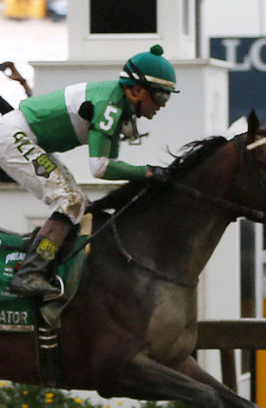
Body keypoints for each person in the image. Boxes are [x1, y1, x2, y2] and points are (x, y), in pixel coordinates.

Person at [0, 44, 178, 297]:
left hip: (22, 135)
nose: (162, 105)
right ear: (136, 90)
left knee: (79, 204)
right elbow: (100, 167)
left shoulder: (118, 104)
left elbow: (106, 164)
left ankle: (47, 263)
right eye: (161, 96)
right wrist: (147, 172)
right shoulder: (110, 106)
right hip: (14, 136)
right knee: (69, 201)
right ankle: (30, 272)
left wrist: (145, 172)